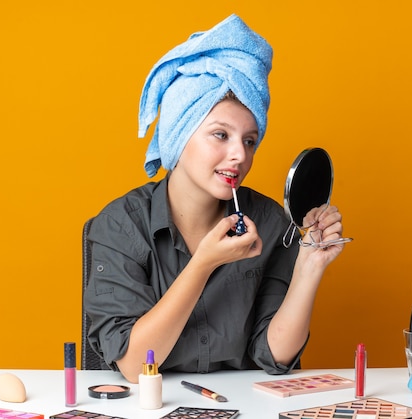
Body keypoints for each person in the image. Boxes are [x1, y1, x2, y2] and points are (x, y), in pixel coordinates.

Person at [83, 14, 346, 383]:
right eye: (221, 135)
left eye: (249, 140)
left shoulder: (270, 222)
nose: (240, 155)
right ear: (180, 134)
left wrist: (308, 267)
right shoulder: (121, 225)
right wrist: (203, 264)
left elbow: (274, 354)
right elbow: (134, 364)